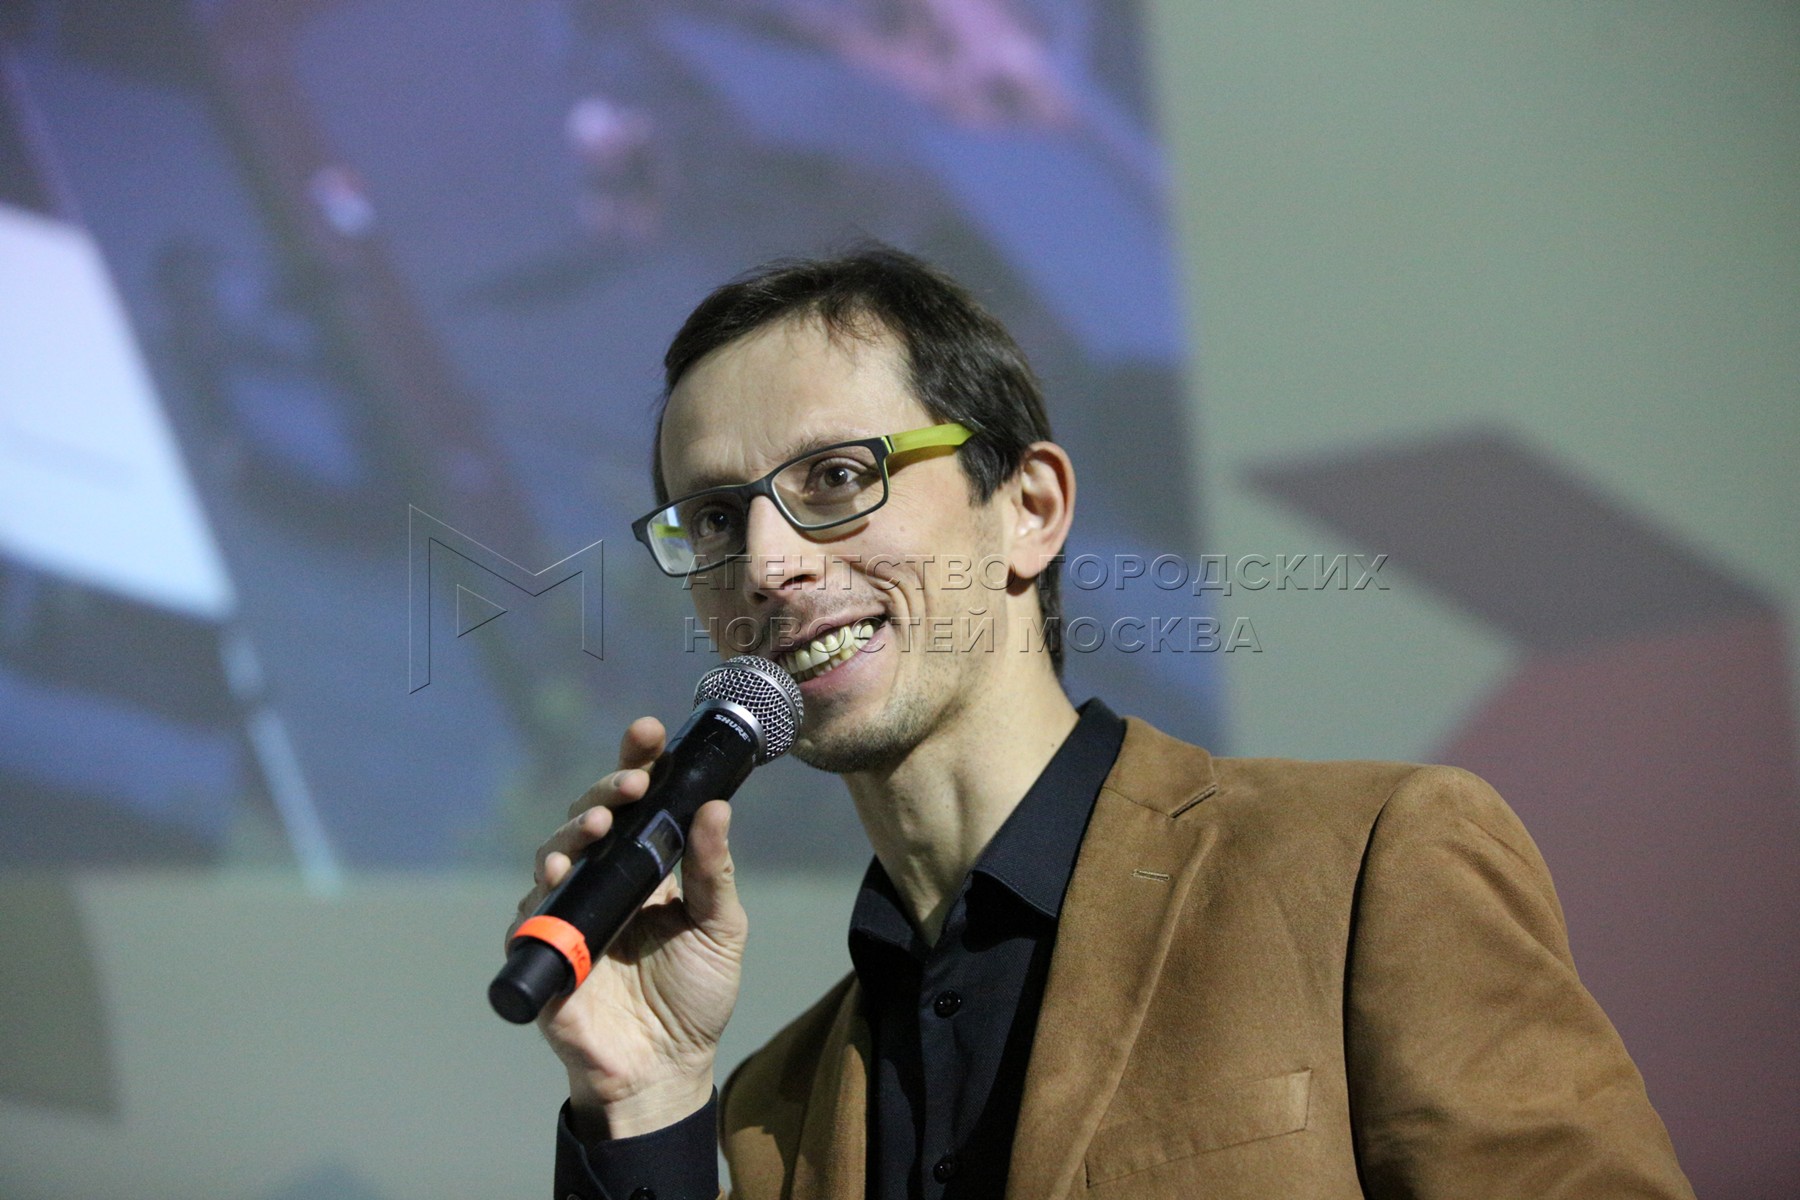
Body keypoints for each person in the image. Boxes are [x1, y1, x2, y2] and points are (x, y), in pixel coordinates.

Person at [512, 247, 1694, 1199]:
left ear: (1029, 509)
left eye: (835, 478)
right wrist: (649, 1096)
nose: (768, 563)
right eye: (717, 520)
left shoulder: (1368, 866)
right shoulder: (777, 1105)